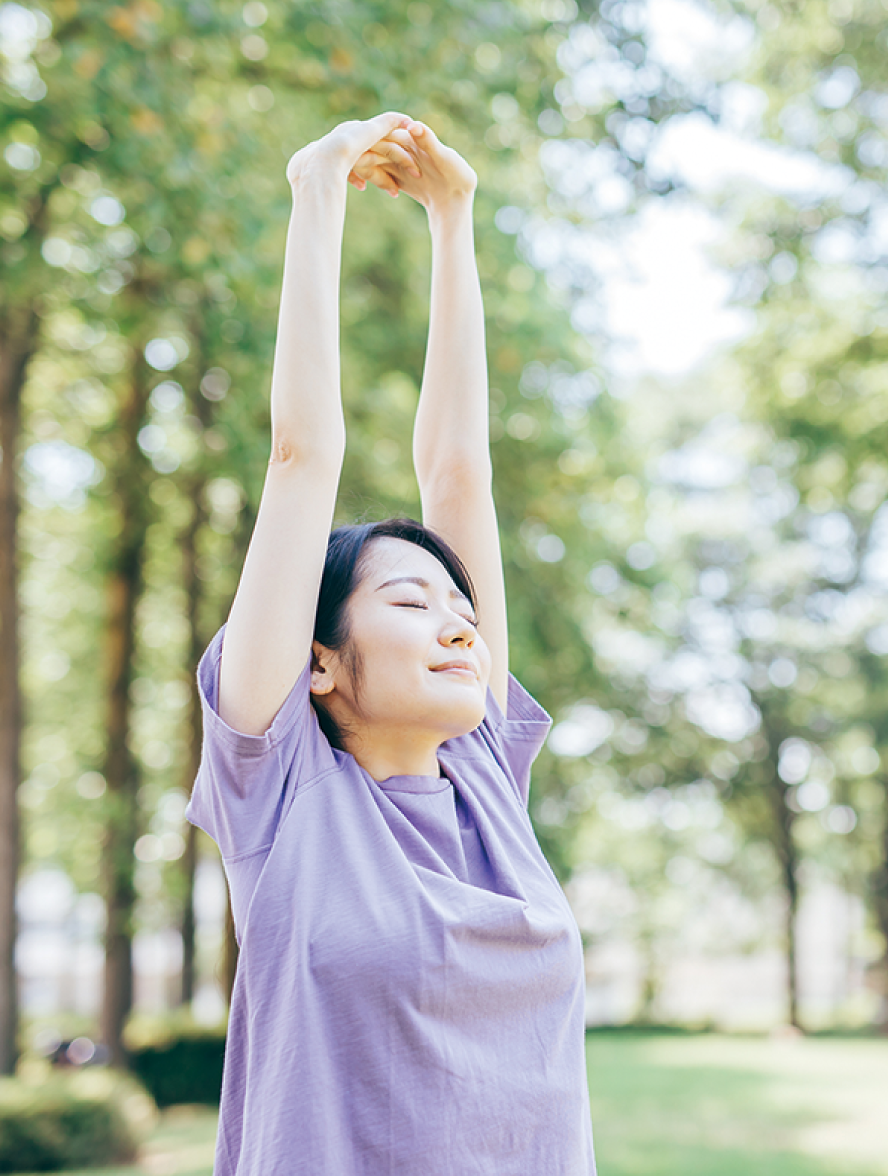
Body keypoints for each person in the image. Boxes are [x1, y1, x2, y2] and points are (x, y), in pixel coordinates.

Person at [185, 112, 597, 1175]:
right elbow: (299, 455)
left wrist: (455, 219)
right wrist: (317, 188)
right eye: (412, 605)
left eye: (459, 607)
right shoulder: (278, 795)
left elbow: (460, 473)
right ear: (319, 662)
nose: (462, 622)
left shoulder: (485, 779)